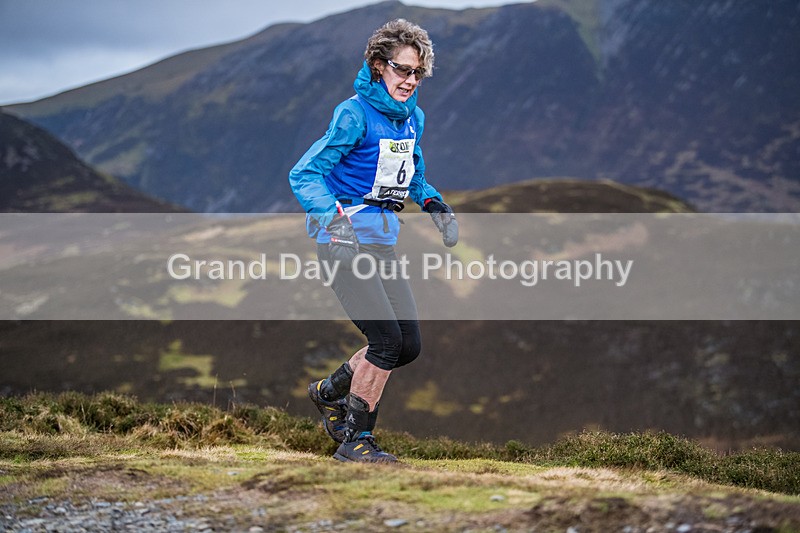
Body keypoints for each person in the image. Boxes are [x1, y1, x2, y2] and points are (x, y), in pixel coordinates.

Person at [288, 19, 458, 463]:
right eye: (402, 70)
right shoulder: (353, 114)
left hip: (381, 243)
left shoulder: (413, 118)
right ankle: (355, 441)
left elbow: (411, 173)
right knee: (385, 341)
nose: (410, 80)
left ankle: (330, 391)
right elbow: (305, 174)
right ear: (379, 66)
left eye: (418, 73)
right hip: (343, 243)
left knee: (408, 345)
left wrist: (434, 203)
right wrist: (335, 223)